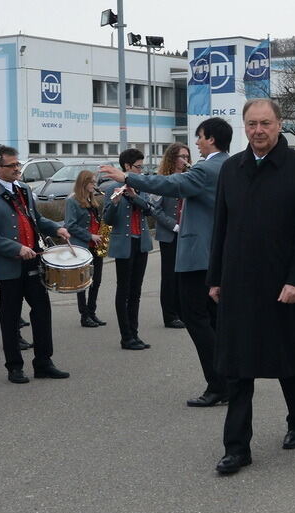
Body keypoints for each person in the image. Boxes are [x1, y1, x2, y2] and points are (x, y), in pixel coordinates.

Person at [207, 99, 295, 475]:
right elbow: (220, 228)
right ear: (244, 126)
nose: (259, 130)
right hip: (238, 283)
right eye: (252, 124)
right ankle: (236, 447)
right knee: (237, 367)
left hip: (282, 284)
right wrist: (215, 277)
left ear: (279, 124)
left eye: (266, 123)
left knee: (289, 360)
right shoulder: (231, 170)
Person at [101, 117, 232, 407]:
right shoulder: (228, 164)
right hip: (209, 252)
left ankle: (219, 384)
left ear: (210, 138)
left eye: (199, 137)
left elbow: (169, 184)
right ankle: (228, 379)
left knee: (196, 317)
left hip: (198, 254)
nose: (196, 143)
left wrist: (126, 178)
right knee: (211, 318)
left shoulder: (208, 167)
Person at [0, 145, 71, 384]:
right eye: (12, 166)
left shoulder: (24, 189)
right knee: (9, 317)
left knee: (42, 311)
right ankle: (14, 366)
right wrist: (16, 248)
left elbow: (35, 218)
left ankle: (43, 362)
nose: (18, 169)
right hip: (9, 266)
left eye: (18, 164)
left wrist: (56, 227)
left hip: (34, 262)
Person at [101, 149, 153, 350]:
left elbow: (149, 209)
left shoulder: (140, 187)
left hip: (141, 242)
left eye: (142, 166)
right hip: (124, 243)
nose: (141, 170)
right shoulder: (112, 188)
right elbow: (107, 220)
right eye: (138, 167)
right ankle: (126, 336)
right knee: (124, 289)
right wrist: (115, 203)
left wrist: (134, 196)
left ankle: (135, 333)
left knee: (136, 290)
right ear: (127, 167)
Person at [63, 170, 106, 327]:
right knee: (82, 283)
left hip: (96, 246)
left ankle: (92, 312)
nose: (94, 185)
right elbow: (70, 225)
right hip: (82, 247)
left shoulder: (92, 200)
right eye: (92, 182)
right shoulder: (72, 201)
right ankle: (84, 315)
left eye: (95, 182)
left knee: (97, 281)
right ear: (83, 183)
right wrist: (90, 236)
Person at [151, 144, 188, 329]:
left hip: (186, 234)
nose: (185, 160)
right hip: (170, 234)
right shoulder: (162, 180)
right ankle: (169, 315)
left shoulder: (188, 178)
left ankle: (182, 312)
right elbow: (155, 209)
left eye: (187, 156)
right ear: (173, 158)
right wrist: (173, 225)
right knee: (169, 276)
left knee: (183, 275)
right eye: (182, 156)